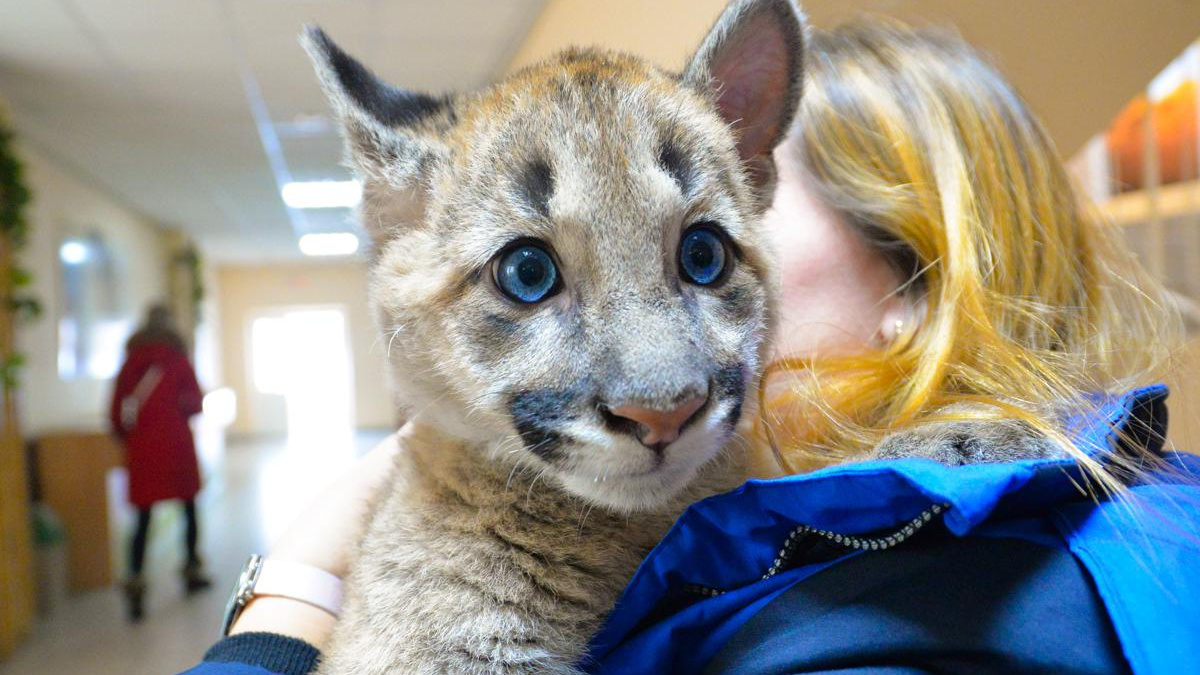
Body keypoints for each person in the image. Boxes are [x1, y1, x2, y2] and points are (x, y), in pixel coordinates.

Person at [179, 19, 1199, 675]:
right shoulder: (1108, 497)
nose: (657, 388)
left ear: (929, 289)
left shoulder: (934, 617)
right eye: (531, 274)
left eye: (703, 253)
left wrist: (281, 608)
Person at [110, 304, 211, 622]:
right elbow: (195, 404)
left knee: (141, 518)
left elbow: (115, 410)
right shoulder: (178, 360)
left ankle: (136, 584)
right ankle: (192, 571)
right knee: (189, 509)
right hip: (177, 446)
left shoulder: (130, 363)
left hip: (142, 449)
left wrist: (129, 436)